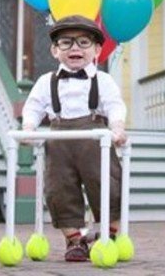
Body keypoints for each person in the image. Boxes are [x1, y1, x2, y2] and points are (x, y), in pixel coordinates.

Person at [22, 14, 127, 262]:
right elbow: (34, 107)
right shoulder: (45, 82)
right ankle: (74, 240)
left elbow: (115, 106)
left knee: (107, 185)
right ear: (54, 50)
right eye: (66, 43)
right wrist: (28, 127)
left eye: (83, 42)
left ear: (97, 49)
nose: (75, 48)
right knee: (59, 190)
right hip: (59, 141)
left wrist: (118, 127)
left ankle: (109, 234)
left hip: (95, 140)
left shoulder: (103, 80)